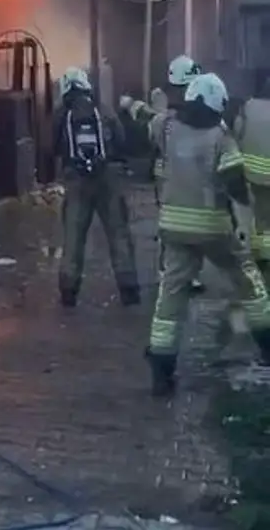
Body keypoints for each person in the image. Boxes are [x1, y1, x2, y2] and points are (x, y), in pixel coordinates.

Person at [146, 72, 270, 397]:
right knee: (247, 279)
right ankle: (268, 345)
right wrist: (243, 220)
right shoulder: (221, 137)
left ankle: (161, 369)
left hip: (173, 226)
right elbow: (235, 184)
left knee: (170, 296)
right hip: (214, 228)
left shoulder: (167, 127)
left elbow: (151, 124)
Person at [55, 66, 140, 309]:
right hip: (109, 176)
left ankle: (69, 292)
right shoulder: (102, 110)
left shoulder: (62, 113)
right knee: (118, 233)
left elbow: (50, 145)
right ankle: (129, 289)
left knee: (73, 236)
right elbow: (122, 139)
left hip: (76, 179)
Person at [121, 55, 204, 293]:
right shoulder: (167, 119)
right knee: (172, 225)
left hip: (185, 177)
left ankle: (186, 273)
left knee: (192, 223)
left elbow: (147, 117)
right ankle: (168, 272)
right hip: (169, 178)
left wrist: (130, 104)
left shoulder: (172, 117)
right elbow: (150, 120)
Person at [231, 76, 270, 293]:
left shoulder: (248, 107)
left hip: (254, 175)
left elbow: (237, 134)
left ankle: (260, 256)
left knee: (260, 218)